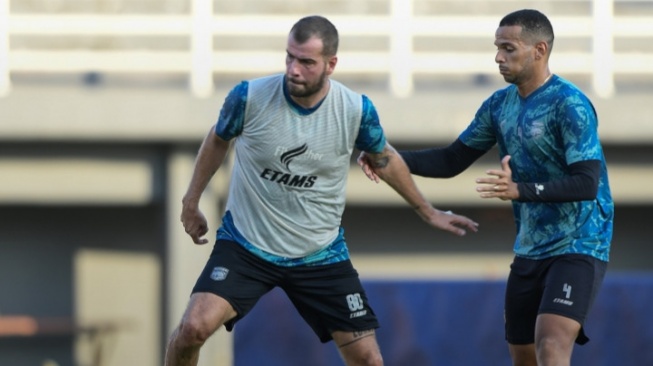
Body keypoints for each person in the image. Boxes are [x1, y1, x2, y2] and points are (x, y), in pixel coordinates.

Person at [164, 15, 479, 366]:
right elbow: (217, 139)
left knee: (369, 360)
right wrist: (191, 201)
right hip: (246, 246)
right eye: (289, 57)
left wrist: (428, 211)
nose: (293, 70)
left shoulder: (355, 110)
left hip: (320, 255)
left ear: (331, 64)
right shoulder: (248, 97)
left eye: (306, 62)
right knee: (192, 328)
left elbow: (385, 159)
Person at [359, 9, 614, 366]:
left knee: (552, 342)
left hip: (580, 242)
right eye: (497, 48)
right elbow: (451, 160)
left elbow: (587, 183)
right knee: (522, 354)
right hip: (530, 247)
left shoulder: (569, 104)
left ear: (539, 50)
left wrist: (521, 191)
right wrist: (387, 156)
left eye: (508, 48)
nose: (498, 57)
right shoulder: (498, 105)